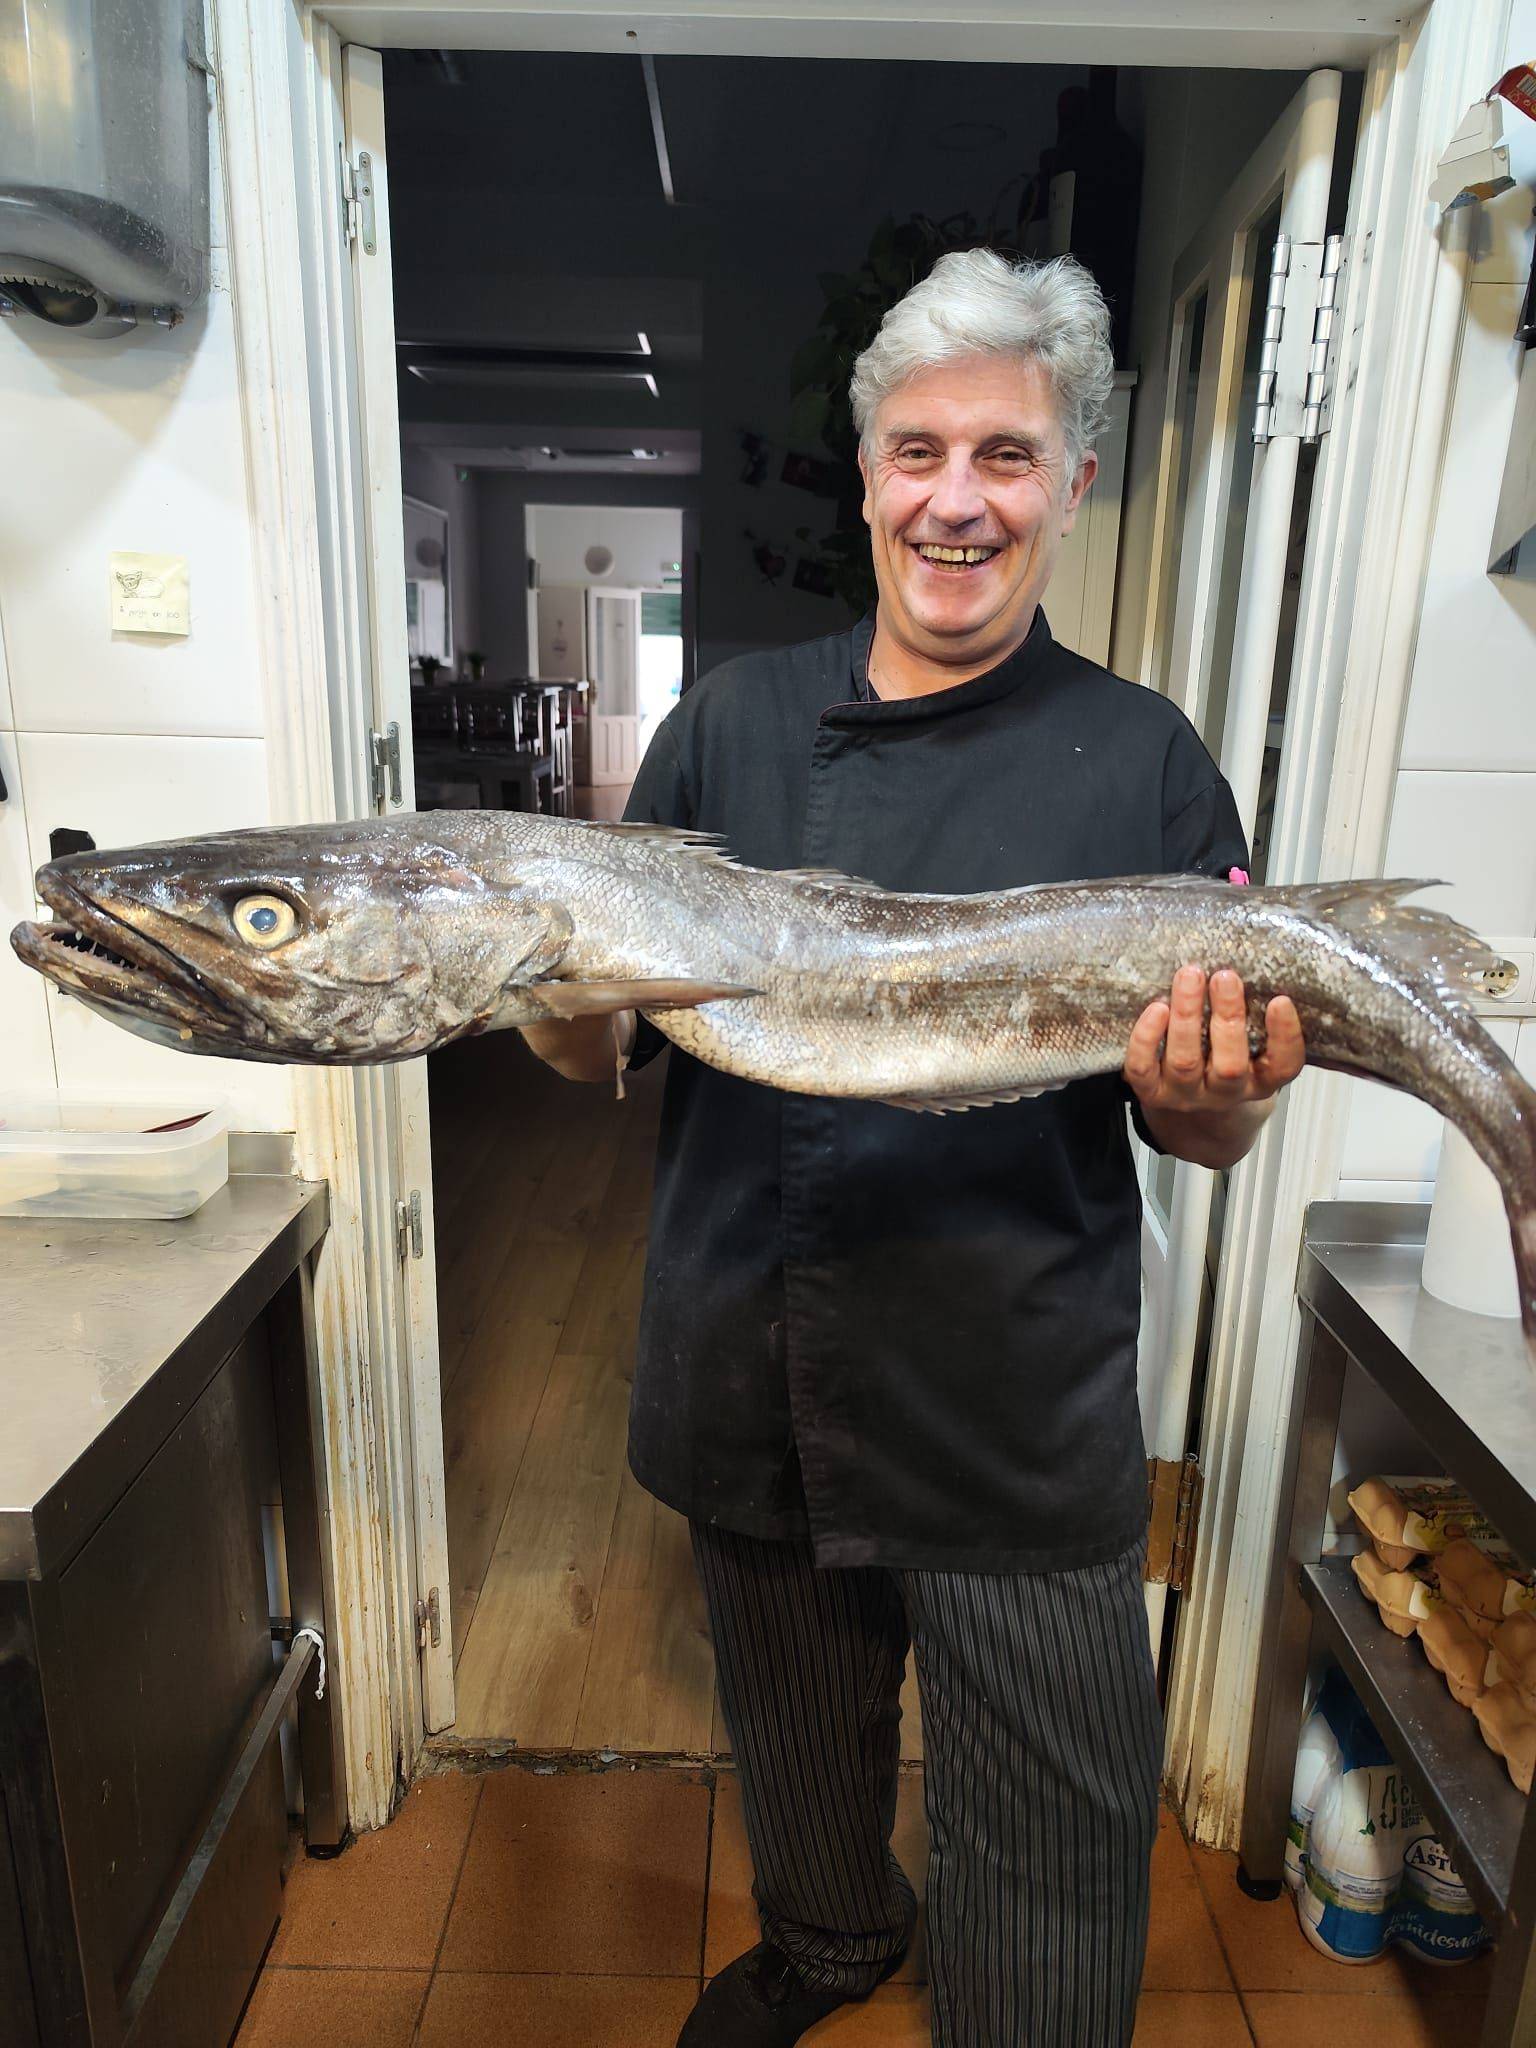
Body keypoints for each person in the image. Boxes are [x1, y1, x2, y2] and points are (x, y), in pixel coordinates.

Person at [522, 248, 1304, 2048]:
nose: (958, 500)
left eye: (1008, 456)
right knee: (798, 1746)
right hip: (752, 1345)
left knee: (1055, 1811)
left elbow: (1208, 1126)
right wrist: (548, 999)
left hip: (1013, 1387)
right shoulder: (725, 724)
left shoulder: (1151, 763)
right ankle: (825, 1939)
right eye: (919, 451)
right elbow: (600, 1049)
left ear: (1074, 483)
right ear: (867, 471)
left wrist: (1218, 1095)